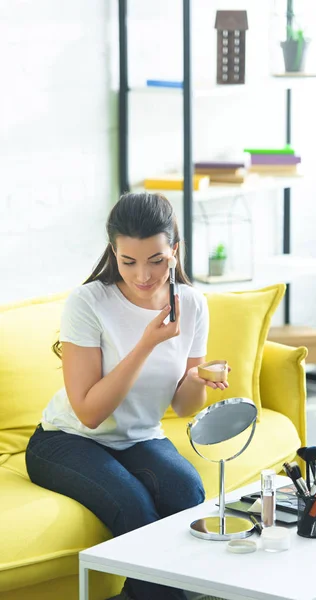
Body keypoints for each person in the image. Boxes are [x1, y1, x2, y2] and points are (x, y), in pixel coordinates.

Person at [25, 192, 229, 600]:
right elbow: (89, 414)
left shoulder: (191, 303)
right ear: (113, 252)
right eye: (128, 261)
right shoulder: (89, 303)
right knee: (134, 507)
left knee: (187, 492)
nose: (142, 276)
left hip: (139, 436)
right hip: (66, 440)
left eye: (155, 260)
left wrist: (199, 380)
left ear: (174, 251)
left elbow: (182, 407)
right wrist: (145, 345)